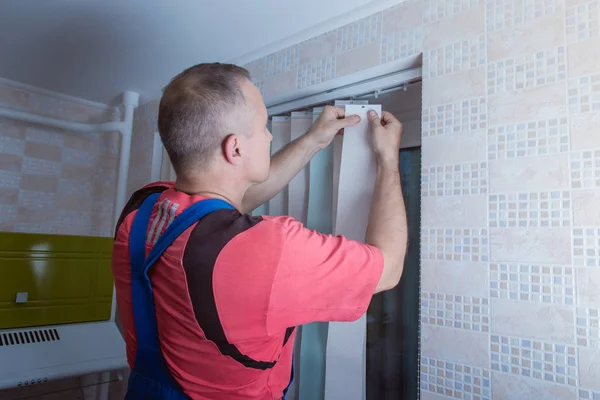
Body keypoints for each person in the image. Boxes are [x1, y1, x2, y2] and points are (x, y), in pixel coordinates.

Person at [111, 63, 407, 400]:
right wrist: (388, 161)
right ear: (235, 148)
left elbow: (225, 205)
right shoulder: (270, 249)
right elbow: (389, 268)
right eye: (264, 125)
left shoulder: (142, 207)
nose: (268, 135)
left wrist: (312, 141)